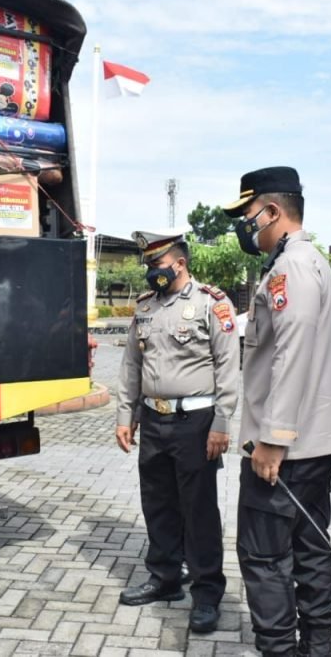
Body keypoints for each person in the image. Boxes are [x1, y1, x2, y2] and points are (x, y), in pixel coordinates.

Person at [222, 167, 331, 657]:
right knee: (311, 546)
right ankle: (316, 647)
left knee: (264, 556)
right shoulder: (307, 261)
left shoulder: (290, 267)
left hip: (287, 450)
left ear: (273, 212)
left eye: (248, 215)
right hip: (316, 442)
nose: (244, 226)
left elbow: (290, 351)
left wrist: (273, 436)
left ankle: (280, 649)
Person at [114, 228, 240, 634]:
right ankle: (165, 578)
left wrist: (222, 423)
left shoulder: (211, 303)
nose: (151, 272)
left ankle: (206, 593)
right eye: (148, 265)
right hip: (153, 420)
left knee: (199, 510)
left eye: (157, 264)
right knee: (158, 503)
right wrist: (125, 414)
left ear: (180, 263)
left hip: (196, 423)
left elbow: (227, 367)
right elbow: (132, 365)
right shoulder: (145, 307)